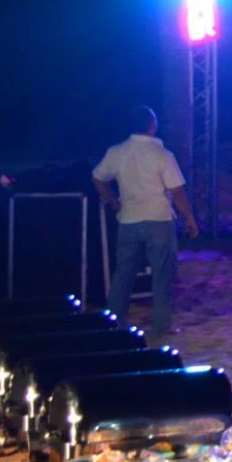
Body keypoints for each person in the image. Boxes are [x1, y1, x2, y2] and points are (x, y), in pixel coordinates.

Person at [92, 106, 198, 338]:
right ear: (153, 125)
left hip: (128, 219)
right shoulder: (162, 155)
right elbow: (177, 191)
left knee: (123, 276)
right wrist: (189, 218)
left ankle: (113, 322)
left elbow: (98, 178)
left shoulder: (116, 151)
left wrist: (113, 202)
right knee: (162, 276)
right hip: (158, 219)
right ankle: (161, 326)